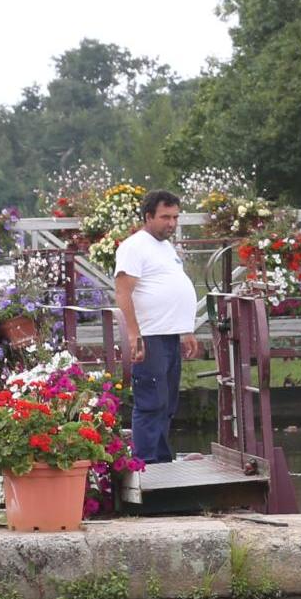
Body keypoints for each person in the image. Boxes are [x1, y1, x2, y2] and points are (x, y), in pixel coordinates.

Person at [115, 191, 201, 464]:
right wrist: (133, 334)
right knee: (151, 402)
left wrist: (186, 330)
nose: (172, 223)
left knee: (167, 403)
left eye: (175, 217)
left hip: (170, 335)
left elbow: (173, 288)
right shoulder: (134, 246)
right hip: (150, 335)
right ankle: (147, 464)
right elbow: (123, 292)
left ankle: (162, 461)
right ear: (148, 216)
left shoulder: (165, 248)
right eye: (165, 217)